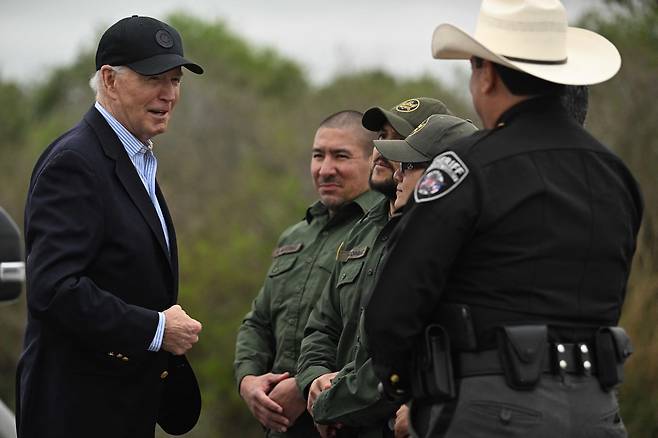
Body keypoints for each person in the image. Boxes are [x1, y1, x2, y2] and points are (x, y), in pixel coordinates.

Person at [364, 1, 643, 437]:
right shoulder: (614, 173)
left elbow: (394, 307)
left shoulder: (465, 166)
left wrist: (411, 390)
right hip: (598, 409)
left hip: (493, 410)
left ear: (487, 74)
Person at [17, 16, 204, 438]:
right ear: (110, 79)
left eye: (175, 81)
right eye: (155, 78)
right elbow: (53, 288)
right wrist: (156, 329)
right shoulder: (75, 162)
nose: (169, 94)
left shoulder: (134, 156)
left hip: (122, 408)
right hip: (77, 414)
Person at [301, 114, 476, 438]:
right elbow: (322, 325)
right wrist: (315, 380)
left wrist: (329, 401)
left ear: (442, 175)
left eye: (409, 166)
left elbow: (396, 360)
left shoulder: (453, 251)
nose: (397, 175)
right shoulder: (370, 231)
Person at [234, 110, 382, 437]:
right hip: (279, 422)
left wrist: (307, 387)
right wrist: (248, 380)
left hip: (345, 421)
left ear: (374, 160)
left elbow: (381, 337)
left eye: (340, 156)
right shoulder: (295, 236)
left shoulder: (384, 230)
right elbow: (257, 321)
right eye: (318, 155)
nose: (325, 169)